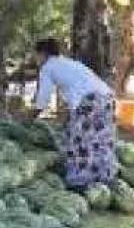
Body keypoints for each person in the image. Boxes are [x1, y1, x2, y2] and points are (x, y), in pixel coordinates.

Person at [31, 38, 117, 190]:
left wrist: (29, 118)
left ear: (43, 54)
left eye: (36, 55)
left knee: (80, 141)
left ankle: (80, 182)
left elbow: (43, 99)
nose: (35, 59)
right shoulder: (67, 63)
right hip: (106, 98)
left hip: (90, 101)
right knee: (101, 139)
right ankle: (105, 176)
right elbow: (73, 93)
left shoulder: (48, 67)